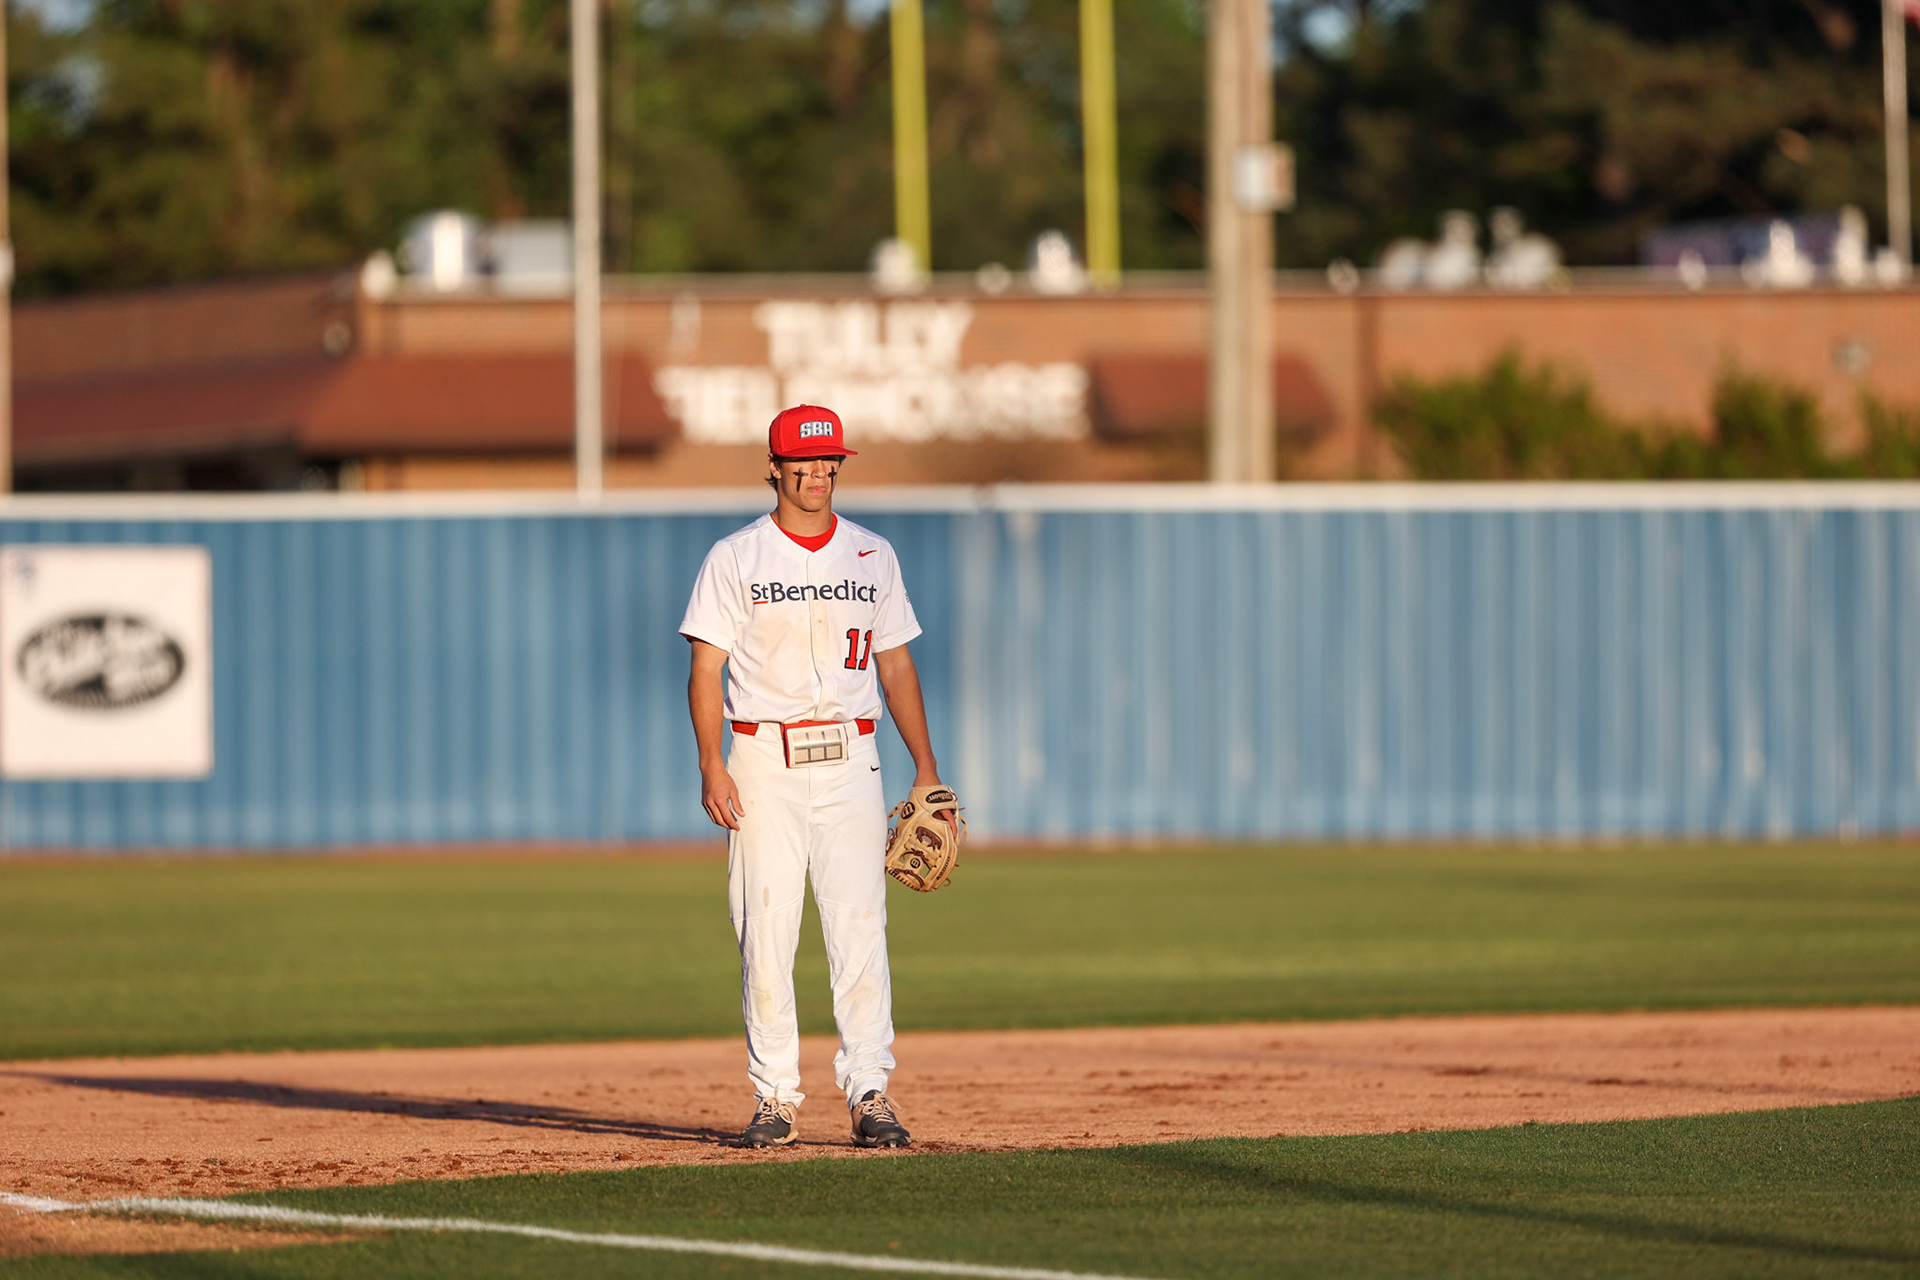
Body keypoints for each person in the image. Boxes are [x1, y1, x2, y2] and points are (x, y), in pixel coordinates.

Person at [678, 404, 951, 1149]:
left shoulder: (872, 554)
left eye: (829, 460)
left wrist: (926, 768)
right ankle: (775, 1098)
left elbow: (896, 664)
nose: (818, 472)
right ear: (775, 466)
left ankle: (871, 1092)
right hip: (763, 757)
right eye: (803, 460)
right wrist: (711, 763)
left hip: (853, 758)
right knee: (764, 930)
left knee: (860, 927)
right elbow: (707, 670)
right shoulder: (737, 558)